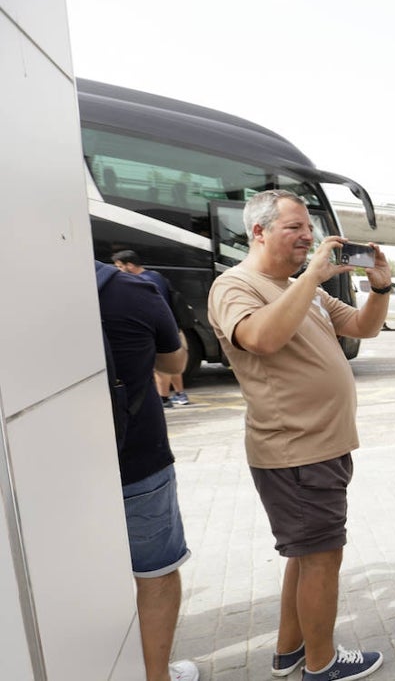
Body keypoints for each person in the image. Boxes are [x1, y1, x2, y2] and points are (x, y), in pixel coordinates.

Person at [207, 190, 391, 681]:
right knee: (322, 558)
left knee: (307, 555)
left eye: (309, 230)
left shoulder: (299, 288)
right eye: (295, 228)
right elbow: (261, 339)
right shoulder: (235, 286)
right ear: (259, 232)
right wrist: (310, 276)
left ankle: (290, 653)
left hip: (321, 448)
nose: (308, 238)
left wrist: (380, 288)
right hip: (294, 451)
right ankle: (321, 664)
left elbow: (361, 327)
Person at [95, 261, 198, 681]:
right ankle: (156, 676)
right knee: (154, 572)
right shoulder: (130, 290)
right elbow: (174, 364)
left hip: (44, 476)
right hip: (137, 460)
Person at [112, 250, 191, 407]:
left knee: (161, 368)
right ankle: (181, 394)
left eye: (120, 267)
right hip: (173, 326)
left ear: (130, 265)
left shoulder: (141, 282)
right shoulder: (155, 276)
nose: (118, 270)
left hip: (158, 330)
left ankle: (164, 399)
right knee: (175, 363)